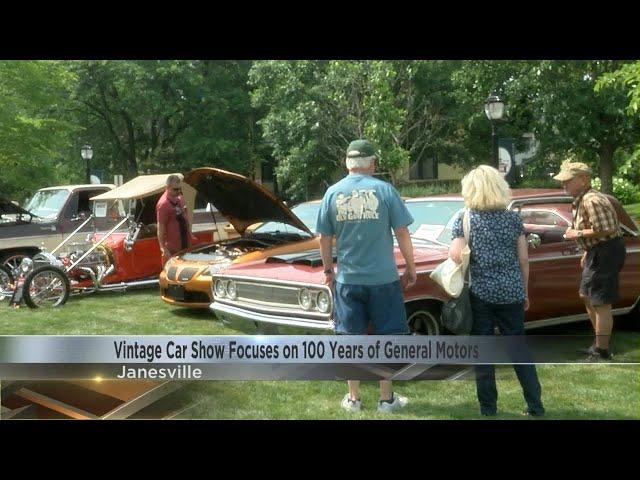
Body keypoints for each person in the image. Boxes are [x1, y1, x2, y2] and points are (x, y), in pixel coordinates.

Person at [316, 139, 417, 413]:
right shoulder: (386, 191)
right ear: (372, 163)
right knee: (388, 338)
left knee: (350, 339)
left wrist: (328, 270)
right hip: (383, 280)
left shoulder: (332, 194)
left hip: (348, 280)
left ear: (347, 163)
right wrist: (411, 266)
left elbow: (324, 239)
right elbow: (403, 233)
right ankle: (386, 399)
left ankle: (353, 398)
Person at [449, 165, 544, 417]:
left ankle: (488, 408)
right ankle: (535, 405)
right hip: (511, 291)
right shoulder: (513, 219)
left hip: (480, 293)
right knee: (518, 348)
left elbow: (456, 256)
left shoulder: (465, 218)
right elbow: (523, 259)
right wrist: (524, 291)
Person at [553, 158, 625, 360]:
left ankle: (602, 351)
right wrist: (587, 250)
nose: (563, 184)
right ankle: (599, 344)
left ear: (584, 179)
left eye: (568, 180)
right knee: (586, 295)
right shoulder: (584, 199)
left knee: (601, 301)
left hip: (607, 251)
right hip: (599, 249)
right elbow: (601, 231)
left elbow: (607, 228)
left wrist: (576, 234)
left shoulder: (592, 199)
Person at [156, 175, 193, 265]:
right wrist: (163, 248)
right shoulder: (163, 204)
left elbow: (185, 217)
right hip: (172, 249)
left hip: (185, 245)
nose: (178, 191)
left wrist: (190, 233)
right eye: (175, 189)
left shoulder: (180, 198)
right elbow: (160, 227)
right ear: (167, 188)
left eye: (180, 189)